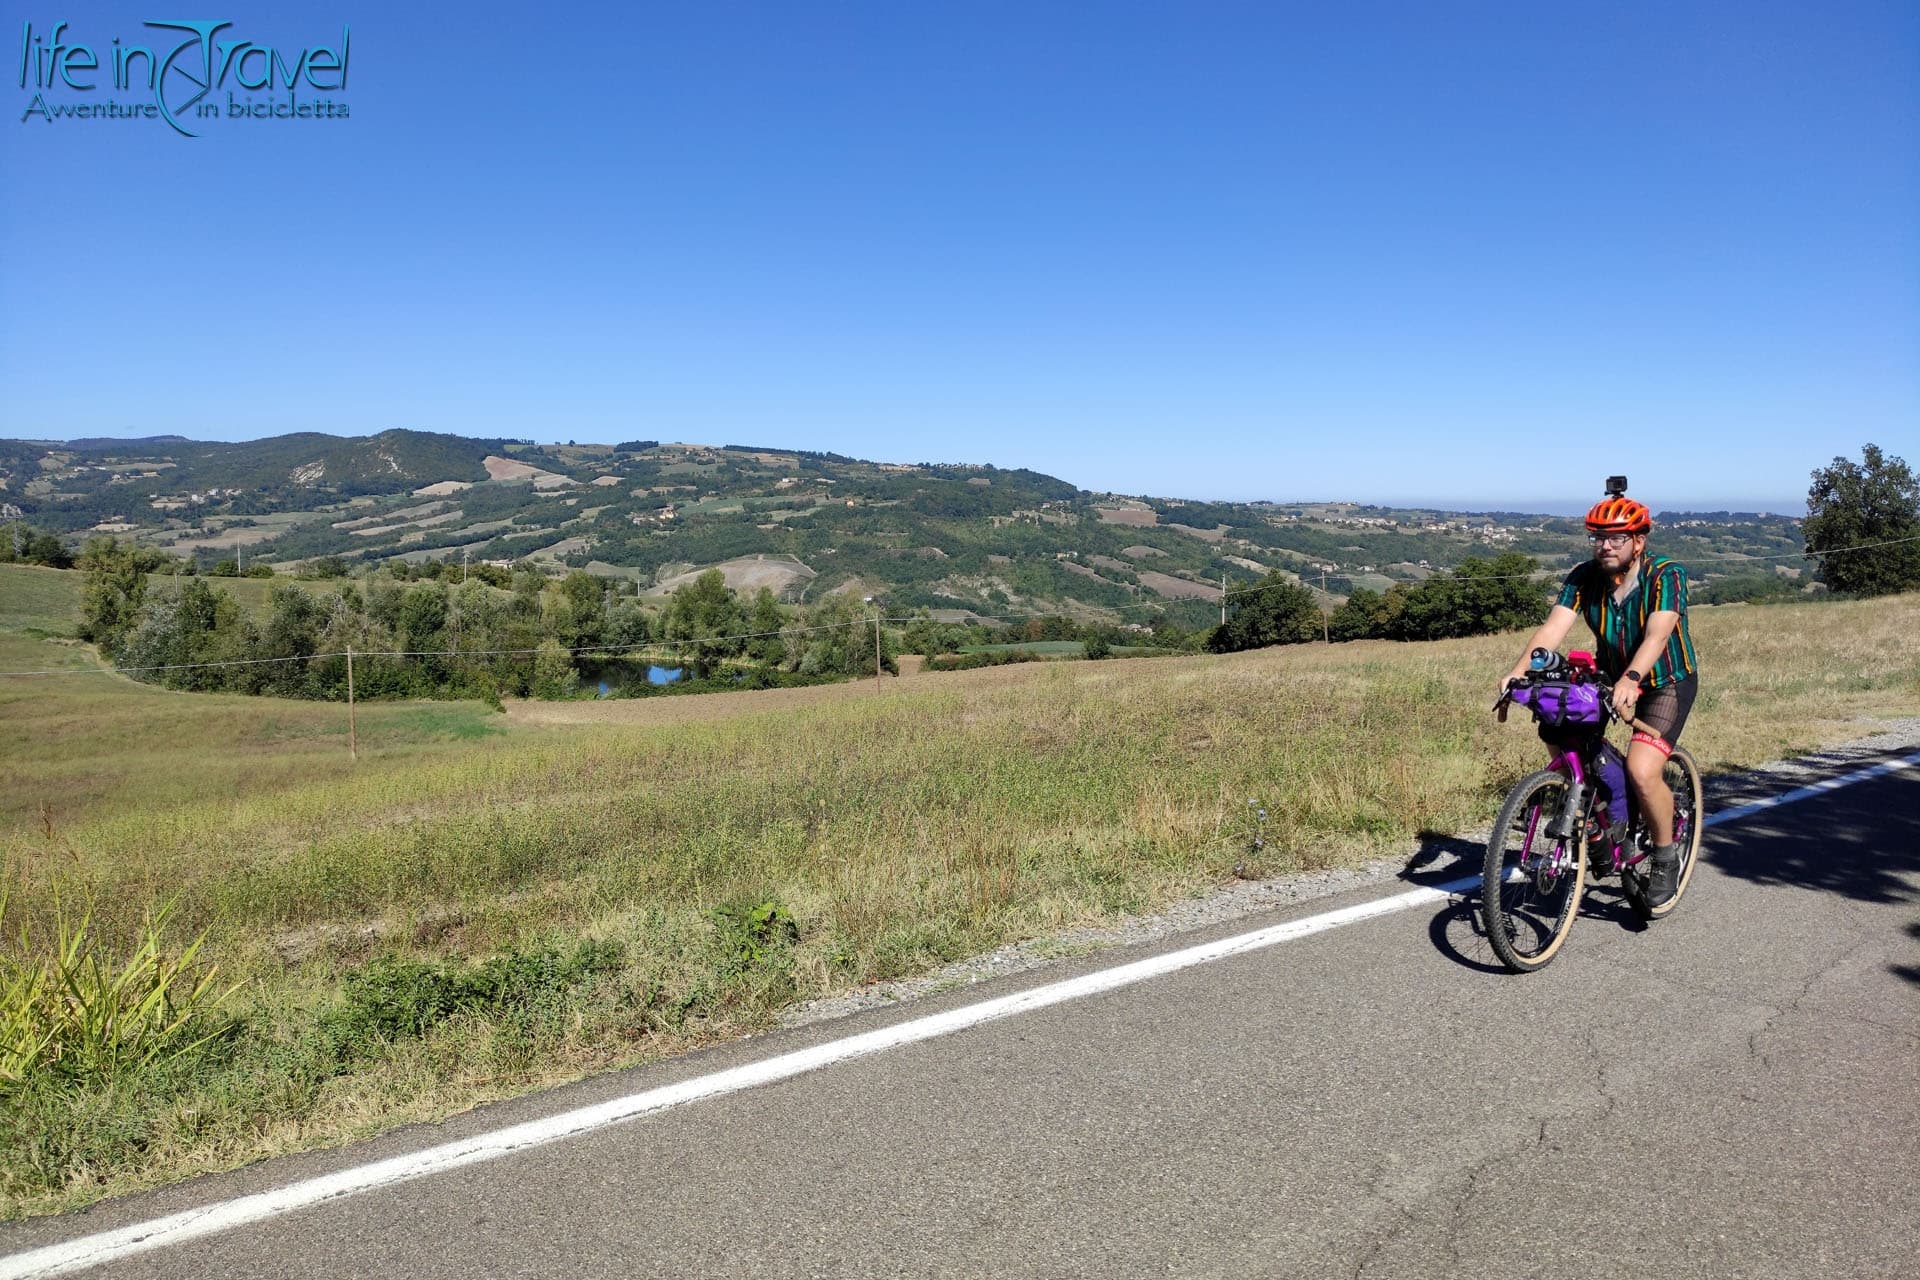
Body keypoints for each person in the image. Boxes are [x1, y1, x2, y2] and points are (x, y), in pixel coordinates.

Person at [1501, 484, 1700, 906]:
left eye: (1616, 538)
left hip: (1665, 681)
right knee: (1564, 736)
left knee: (1645, 771)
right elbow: (1552, 631)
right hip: (1611, 678)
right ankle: (1602, 824)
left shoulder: (1666, 574)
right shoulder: (1584, 577)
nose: (1605, 546)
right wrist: (1516, 674)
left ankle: (1664, 856)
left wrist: (1632, 678)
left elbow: (1658, 633)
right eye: (1597, 537)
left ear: (1639, 541)